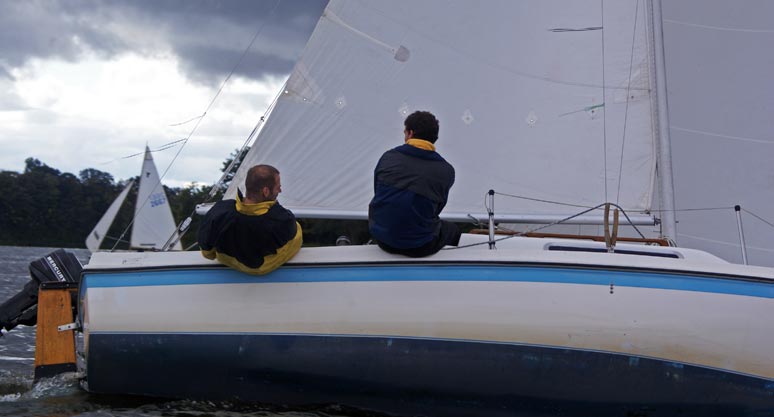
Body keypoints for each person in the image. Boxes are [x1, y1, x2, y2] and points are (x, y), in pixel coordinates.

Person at [368, 110, 461, 257]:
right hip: (420, 246)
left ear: (410, 133)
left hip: (382, 239)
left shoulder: (388, 158)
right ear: (434, 138)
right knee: (453, 230)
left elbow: (378, 193)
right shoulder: (446, 171)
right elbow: (437, 209)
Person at [198, 164, 302, 274]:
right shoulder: (281, 221)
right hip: (260, 270)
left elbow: (207, 253)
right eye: (278, 187)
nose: (280, 190)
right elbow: (295, 242)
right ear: (265, 191)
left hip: (226, 270)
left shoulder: (218, 212)